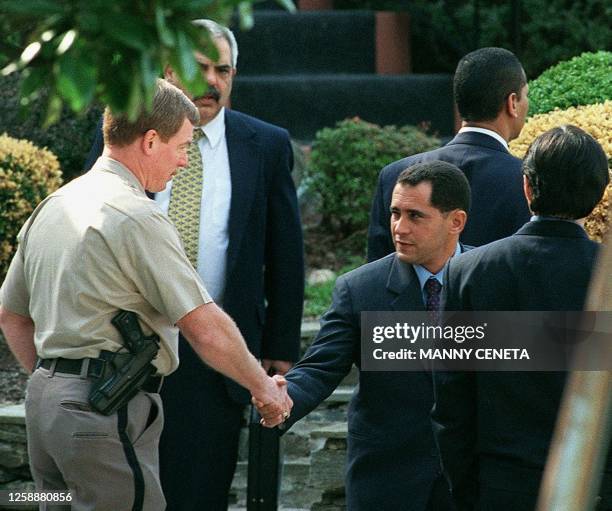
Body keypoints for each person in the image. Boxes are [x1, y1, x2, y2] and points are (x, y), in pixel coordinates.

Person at [0, 79, 291, 511]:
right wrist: (265, 390)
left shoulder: (54, 204)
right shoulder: (138, 216)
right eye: (183, 146)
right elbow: (204, 326)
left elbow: (12, 316)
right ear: (151, 141)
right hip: (103, 416)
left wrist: (59, 383)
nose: (184, 161)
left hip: (47, 414)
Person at [84, 19, 304, 510]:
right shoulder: (124, 137)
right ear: (168, 69)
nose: (212, 81)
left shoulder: (264, 145)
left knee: (199, 494)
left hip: (215, 356)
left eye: (223, 70)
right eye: (199, 66)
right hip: (124, 349)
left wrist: (279, 348)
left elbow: (285, 253)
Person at [432, 125, 611, 510]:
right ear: (598, 196)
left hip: (501, 485)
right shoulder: (605, 277)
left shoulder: (470, 271)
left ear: (527, 187)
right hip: (596, 485)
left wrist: (466, 491)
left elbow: (452, 399)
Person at [276, 161, 471, 510]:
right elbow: (320, 367)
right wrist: (282, 397)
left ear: (455, 221)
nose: (399, 227)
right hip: (387, 479)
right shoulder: (360, 289)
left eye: (415, 216)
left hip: (470, 480)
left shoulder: (492, 280)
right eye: (395, 213)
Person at [368, 47, 531, 261]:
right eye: (526, 95)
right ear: (512, 103)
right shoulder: (527, 182)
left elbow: (375, 278)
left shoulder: (393, 175)